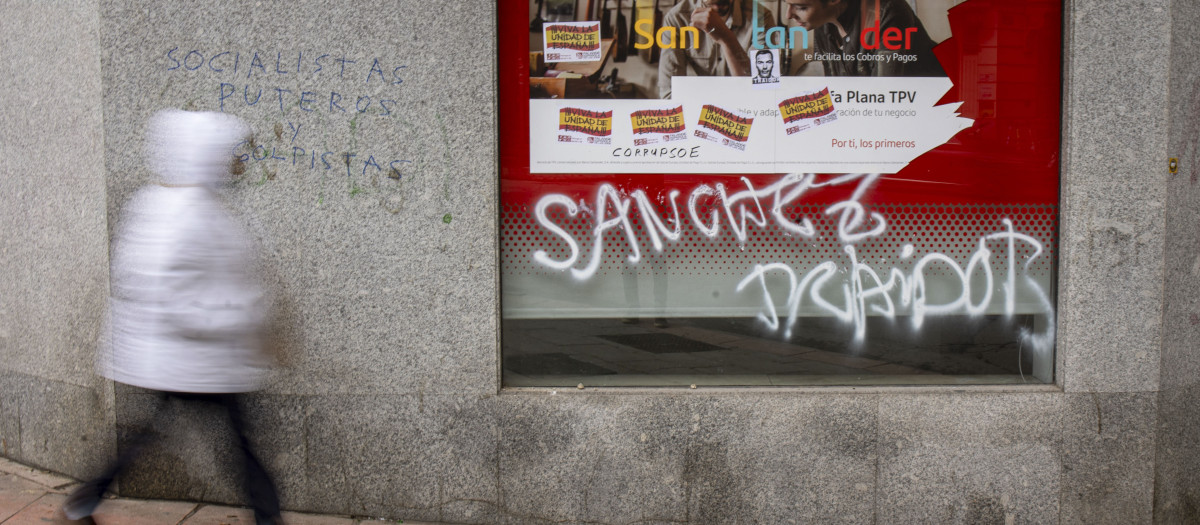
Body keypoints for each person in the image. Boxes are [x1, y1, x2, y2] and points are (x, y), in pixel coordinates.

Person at [61, 110, 283, 525]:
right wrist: (243, 319)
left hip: (185, 360)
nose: (241, 163)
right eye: (231, 154)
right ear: (206, 156)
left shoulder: (170, 203)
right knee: (240, 446)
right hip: (192, 358)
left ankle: (81, 504)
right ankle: (269, 519)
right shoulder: (188, 213)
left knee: (151, 436)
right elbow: (173, 300)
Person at [785, 0, 944, 77]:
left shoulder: (887, 12)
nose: (789, 15)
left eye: (801, 7)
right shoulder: (821, 21)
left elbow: (885, 97)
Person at [657, 0, 774, 98]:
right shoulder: (676, 19)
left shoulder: (762, 17)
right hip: (695, 113)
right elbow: (670, 93)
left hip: (745, 113)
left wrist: (726, 38)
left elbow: (762, 92)